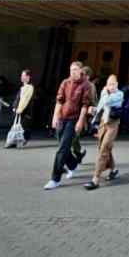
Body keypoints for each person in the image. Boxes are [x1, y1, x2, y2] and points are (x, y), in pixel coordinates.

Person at [44, 62, 92, 190]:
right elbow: (59, 101)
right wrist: (55, 117)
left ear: (81, 70)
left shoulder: (86, 85)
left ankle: (55, 178)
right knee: (62, 145)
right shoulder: (65, 82)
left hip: (73, 119)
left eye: (75, 69)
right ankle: (73, 164)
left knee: (62, 148)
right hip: (62, 117)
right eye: (71, 69)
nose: (72, 72)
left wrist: (81, 121)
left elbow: (85, 105)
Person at [84, 74, 125, 190]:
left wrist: (105, 92)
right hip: (103, 123)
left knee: (103, 149)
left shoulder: (119, 94)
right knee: (104, 148)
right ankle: (113, 169)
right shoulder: (105, 92)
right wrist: (94, 110)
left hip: (113, 124)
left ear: (117, 84)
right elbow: (101, 106)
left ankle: (95, 179)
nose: (111, 86)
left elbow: (107, 101)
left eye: (113, 84)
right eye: (109, 84)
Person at [10, 69, 36, 146]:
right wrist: (15, 106)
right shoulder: (23, 87)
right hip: (21, 111)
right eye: (21, 75)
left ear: (28, 77)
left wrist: (19, 110)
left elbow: (24, 100)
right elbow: (18, 98)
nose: (21, 77)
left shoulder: (29, 87)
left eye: (23, 75)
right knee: (18, 126)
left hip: (25, 111)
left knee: (24, 127)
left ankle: (20, 140)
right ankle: (15, 141)